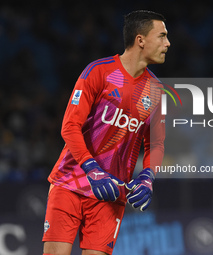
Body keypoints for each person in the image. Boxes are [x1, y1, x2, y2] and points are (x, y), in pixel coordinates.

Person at [42, 10, 170, 255]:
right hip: (71, 183)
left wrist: (148, 177)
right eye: (162, 36)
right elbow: (69, 127)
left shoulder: (156, 91)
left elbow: (156, 144)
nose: (168, 43)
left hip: (111, 193)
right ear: (140, 40)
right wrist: (92, 170)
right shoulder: (98, 72)